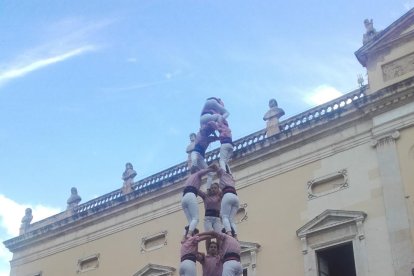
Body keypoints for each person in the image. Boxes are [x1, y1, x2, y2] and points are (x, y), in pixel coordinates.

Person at [181, 164, 218, 238]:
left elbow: (198, 190)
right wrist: (214, 169)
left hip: (184, 198)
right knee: (195, 219)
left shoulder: (189, 179)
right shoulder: (197, 174)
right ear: (196, 170)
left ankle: (185, 235)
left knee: (190, 221)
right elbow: (205, 171)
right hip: (191, 195)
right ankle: (189, 234)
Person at [217, 166, 239, 238]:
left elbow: (216, 166)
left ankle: (229, 233)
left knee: (224, 216)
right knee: (231, 220)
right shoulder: (231, 178)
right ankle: (235, 235)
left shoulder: (223, 174)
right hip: (235, 197)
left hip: (228, 195)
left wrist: (208, 169)